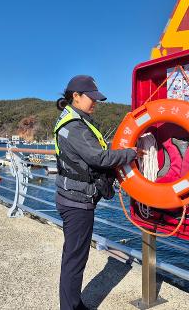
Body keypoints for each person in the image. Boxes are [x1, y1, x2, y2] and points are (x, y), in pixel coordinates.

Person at [54, 75, 143, 310]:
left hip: (70, 197)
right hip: (77, 202)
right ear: (76, 96)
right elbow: (98, 157)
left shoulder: (72, 119)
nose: (95, 102)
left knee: (73, 257)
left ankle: (73, 303)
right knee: (74, 260)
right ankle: (70, 307)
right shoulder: (74, 127)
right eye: (91, 98)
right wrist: (130, 153)